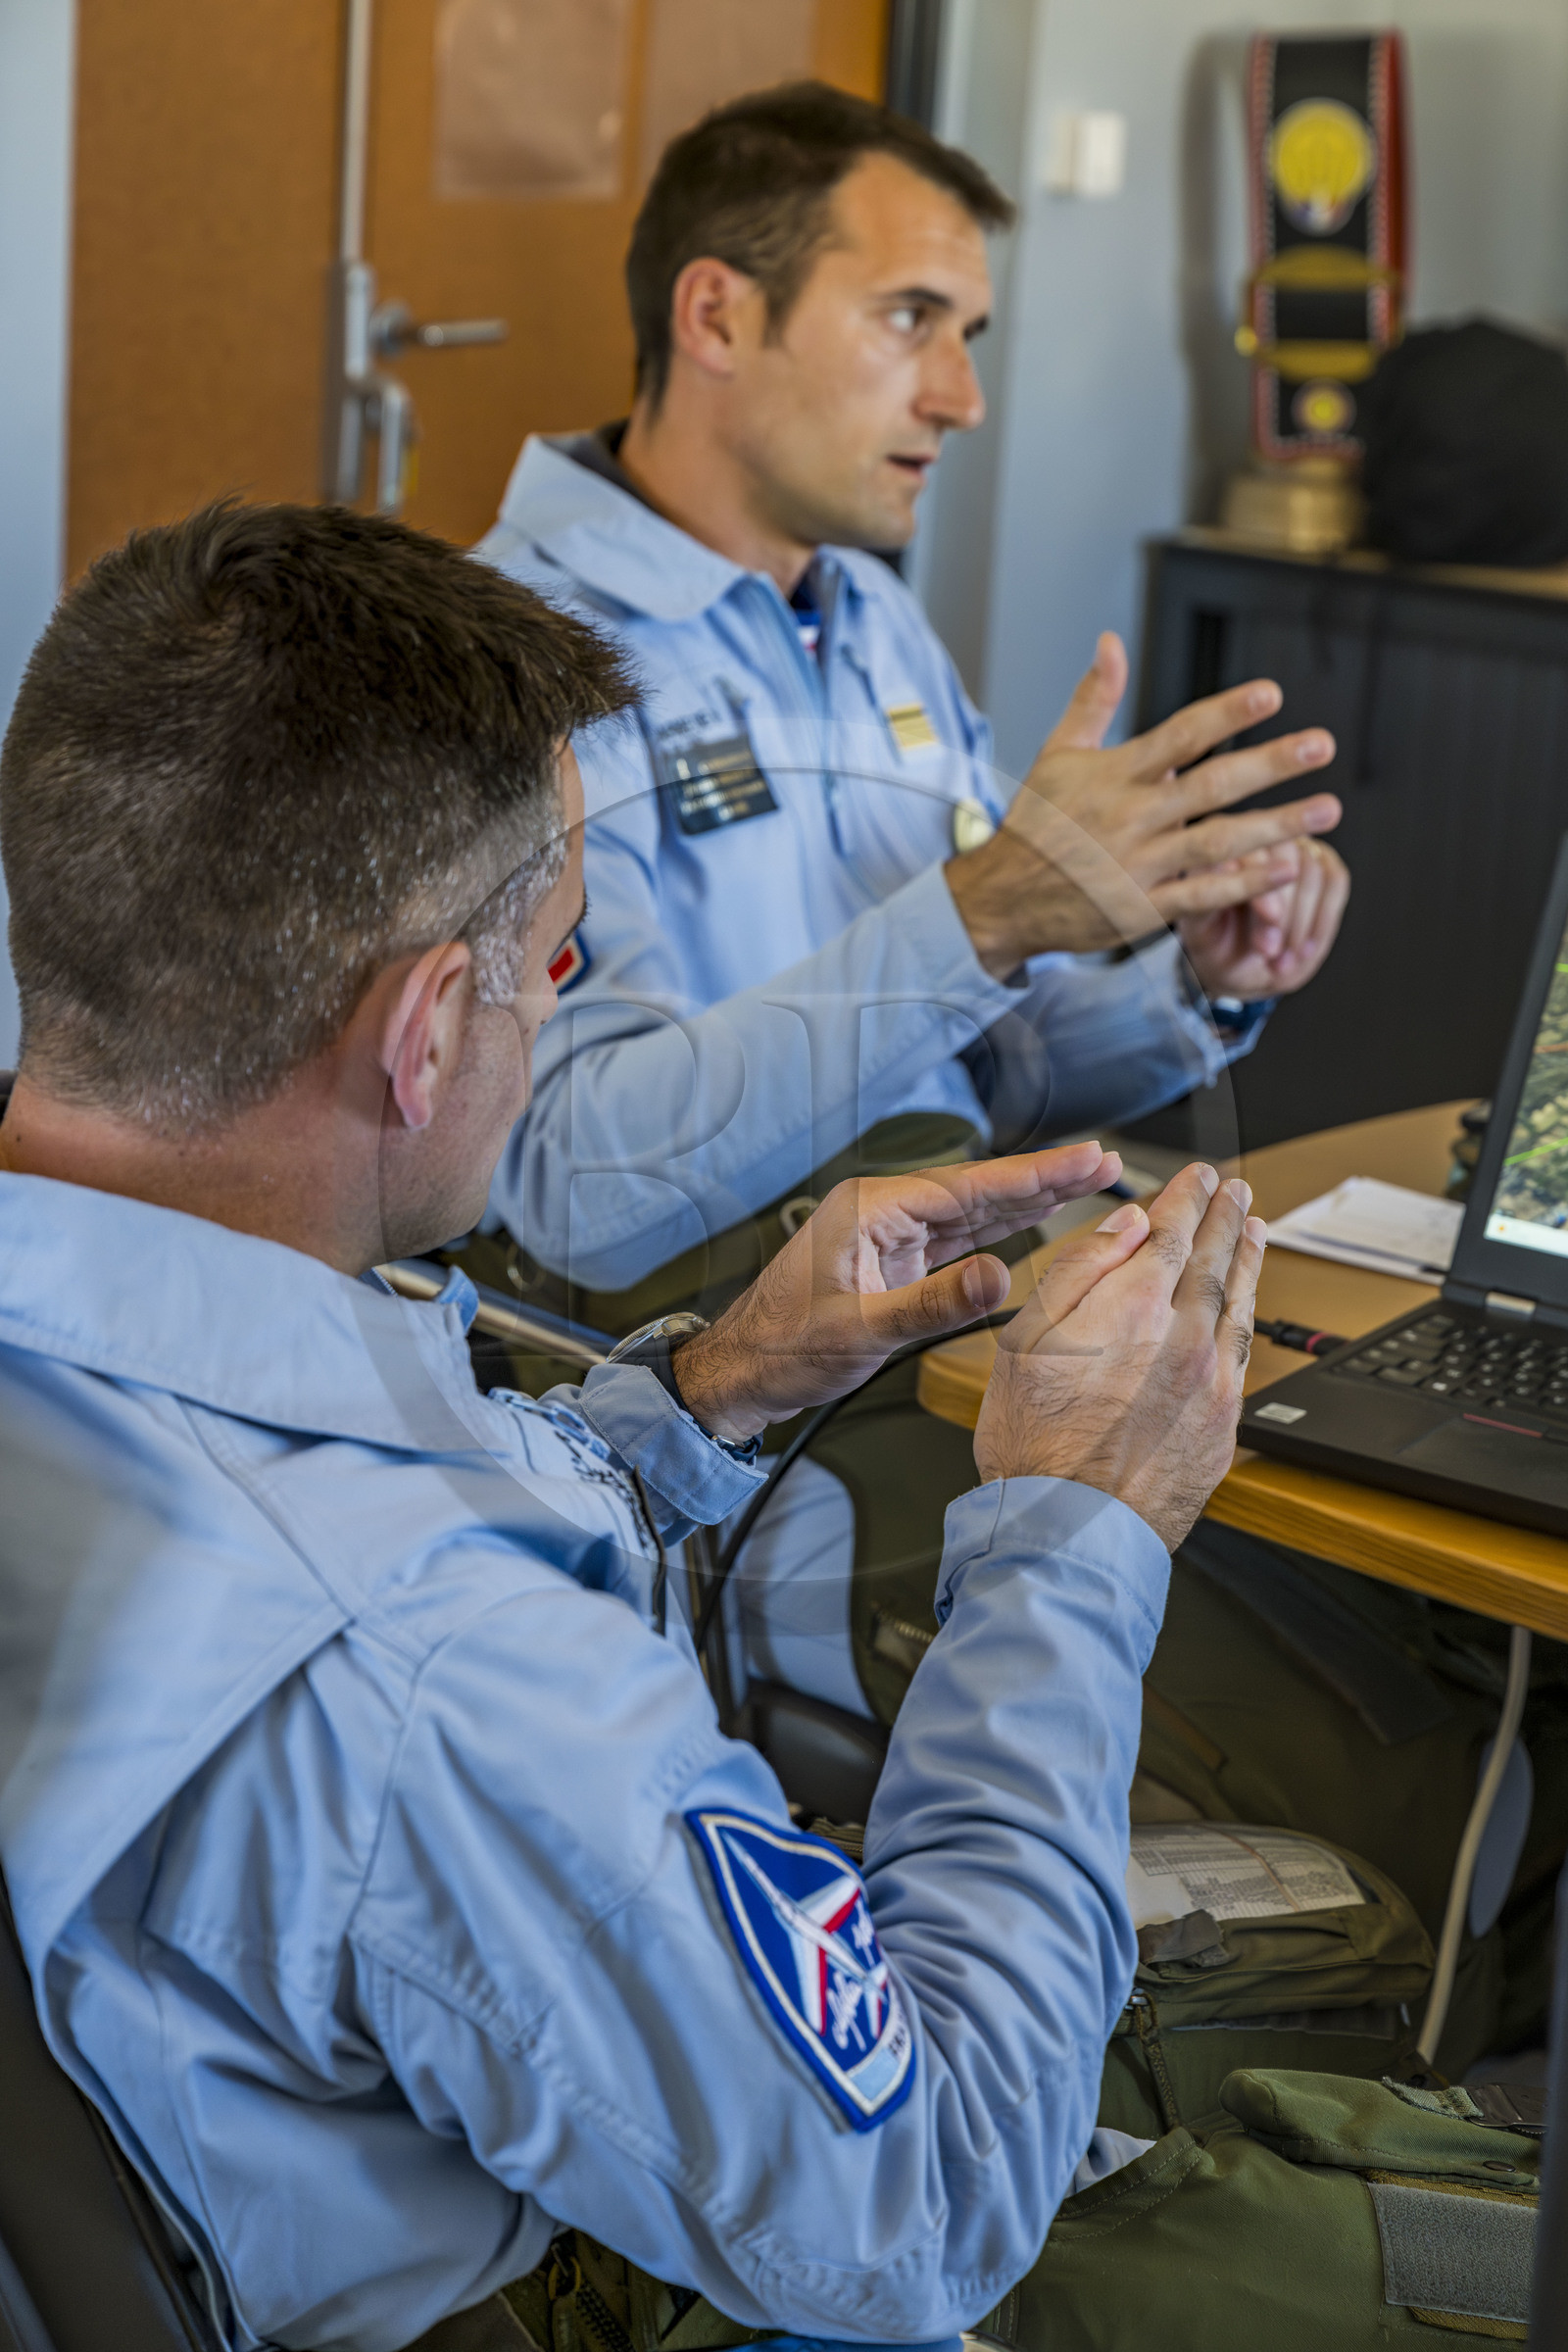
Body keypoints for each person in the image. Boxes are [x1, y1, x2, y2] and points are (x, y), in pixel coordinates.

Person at [0, 501, 1265, 2352]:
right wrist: (1074, 1533)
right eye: (563, 957)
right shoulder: (446, 1679)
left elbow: (319, 1528)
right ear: (431, 1029)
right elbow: (926, 2207)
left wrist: (706, 1393)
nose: (562, 997)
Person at [470, 78, 1357, 1773]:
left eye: (971, 332)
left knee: (1373, 1568)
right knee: (1338, 1730)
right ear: (718, 313)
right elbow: (578, 1188)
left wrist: (1188, 989)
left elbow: (991, 1070)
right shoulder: (522, 654)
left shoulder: (866, 623)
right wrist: (979, 913)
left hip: (958, 1287)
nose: (957, 395)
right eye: (909, 321)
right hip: (745, 1381)